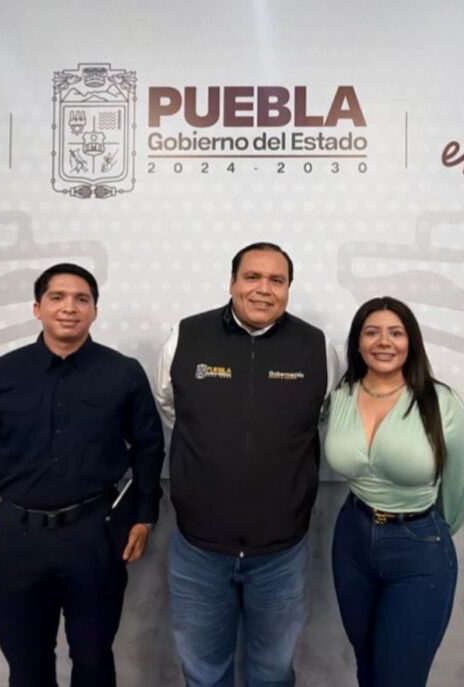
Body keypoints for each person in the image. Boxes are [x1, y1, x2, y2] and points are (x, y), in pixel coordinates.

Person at [0, 263, 164, 687]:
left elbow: (148, 447)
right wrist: (15, 479)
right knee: (26, 665)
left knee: (93, 659)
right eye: (57, 297)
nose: (70, 307)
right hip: (18, 537)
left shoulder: (122, 373)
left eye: (82, 299)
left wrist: (144, 517)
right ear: (37, 307)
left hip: (94, 535)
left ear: (94, 310)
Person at [155, 242, 340, 687]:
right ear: (232, 282)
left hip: (281, 553)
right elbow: (171, 407)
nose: (263, 289)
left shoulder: (317, 348)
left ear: (289, 288)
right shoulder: (186, 338)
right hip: (199, 549)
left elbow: (321, 417)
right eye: (252, 277)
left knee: (272, 672)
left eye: (277, 280)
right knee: (202, 672)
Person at [324, 296, 464, 687]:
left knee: (398, 678)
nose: (384, 342)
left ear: (411, 342)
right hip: (352, 540)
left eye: (396, 333)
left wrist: (427, 532)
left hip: (419, 550)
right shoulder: (340, 395)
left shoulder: (440, 402)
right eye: (372, 332)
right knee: (368, 669)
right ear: (358, 343)